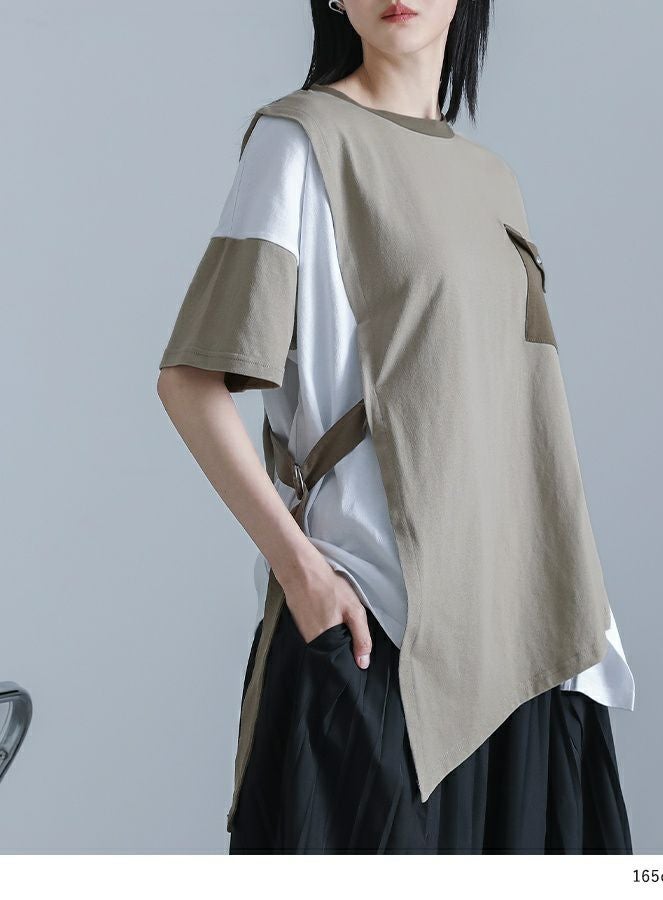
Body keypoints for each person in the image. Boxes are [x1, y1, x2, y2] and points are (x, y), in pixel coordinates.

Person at [157, 0, 636, 854]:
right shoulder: (300, 141)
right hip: (383, 637)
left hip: (532, 636)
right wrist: (303, 573)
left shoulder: (491, 176)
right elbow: (190, 381)